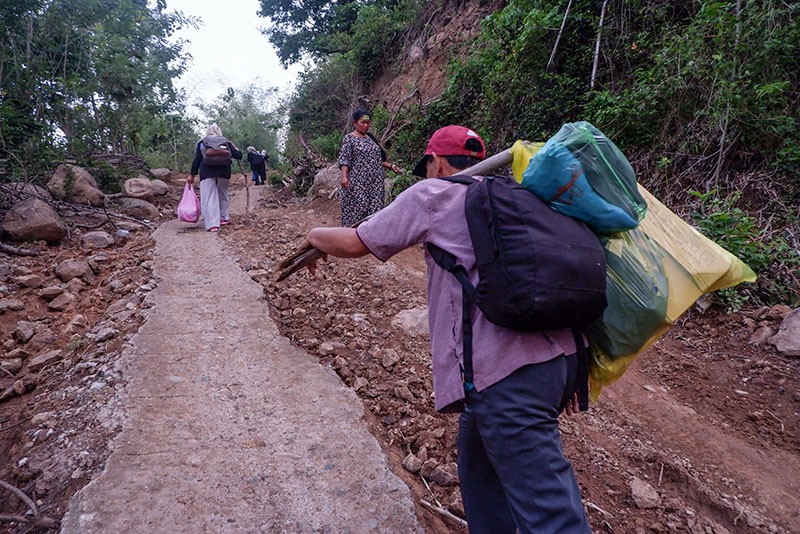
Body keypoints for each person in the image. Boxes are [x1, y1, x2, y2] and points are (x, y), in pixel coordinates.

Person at [302, 126, 591, 534]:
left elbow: (355, 242)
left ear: (436, 161)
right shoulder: (515, 194)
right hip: (561, 362)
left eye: (427, 165)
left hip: (506, 378)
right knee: (480, 474)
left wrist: (312, 234)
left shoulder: (431, 195)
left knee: (552, 517)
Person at [337, 109, 402, 226]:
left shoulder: (370, 138)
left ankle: (371, 239)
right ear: (355, 123)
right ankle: (351, 238)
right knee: (358, 209)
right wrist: (344, 176)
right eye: (363, 122)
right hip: (358, 183)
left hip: (375, 183)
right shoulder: (349, 139)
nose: (366, 125)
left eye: (368, 122)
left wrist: (391, 166)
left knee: (375, 211)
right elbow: (344, 159)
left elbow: (378, 160)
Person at [188, 124, 243, 232]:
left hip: (207, 172)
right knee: (223, 194)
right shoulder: (225, 142)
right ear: (219, 131)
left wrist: (192, 175)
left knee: (209, 197)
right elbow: (238, 155)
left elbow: (197, 160)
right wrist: (236, 149)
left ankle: (213, 224)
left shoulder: (203, 142)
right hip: (224, 172)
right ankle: (224, 218)